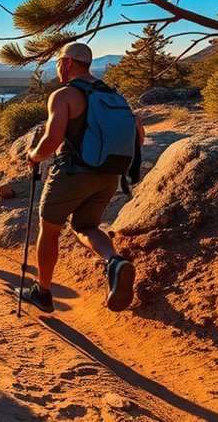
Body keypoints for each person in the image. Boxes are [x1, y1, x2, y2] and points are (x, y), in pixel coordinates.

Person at [18, 42, 144, 313]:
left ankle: (43, 291)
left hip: (73, 172)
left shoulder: (64, 95)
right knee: (86, 226)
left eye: (58, 63)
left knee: (49, 228)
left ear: (67, 63)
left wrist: (34, 156)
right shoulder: (113, 95)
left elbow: (52, 139)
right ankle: (114, 261)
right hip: (108, 176)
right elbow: (139, 134)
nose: (57, 68)